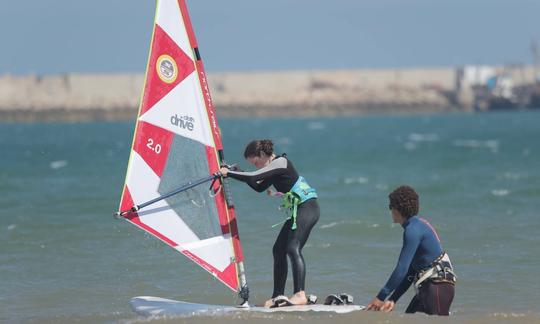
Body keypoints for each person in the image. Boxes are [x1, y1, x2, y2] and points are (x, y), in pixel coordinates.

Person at [220, 139, 319, 307]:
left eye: (256, 162)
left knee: (292, 248)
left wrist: (228, 173)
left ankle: (300, 294)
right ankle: (277, 296)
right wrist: (239, 172)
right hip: (298, 211)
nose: (257, 166)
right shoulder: (272, 168)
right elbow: (258, 186)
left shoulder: (281, 162)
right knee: (278, 249)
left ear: (263, 154)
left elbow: (254, 176)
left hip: (307, 207)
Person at [366, 185, 456, 315]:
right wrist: (393, 299)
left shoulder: (412, 231)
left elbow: (401, 268)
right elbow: (411, 272)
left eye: (390, 206)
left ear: (397, 209)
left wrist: (381, 297)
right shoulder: (416, 226)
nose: (390, 210)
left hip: (437, 287)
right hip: (430, 288)